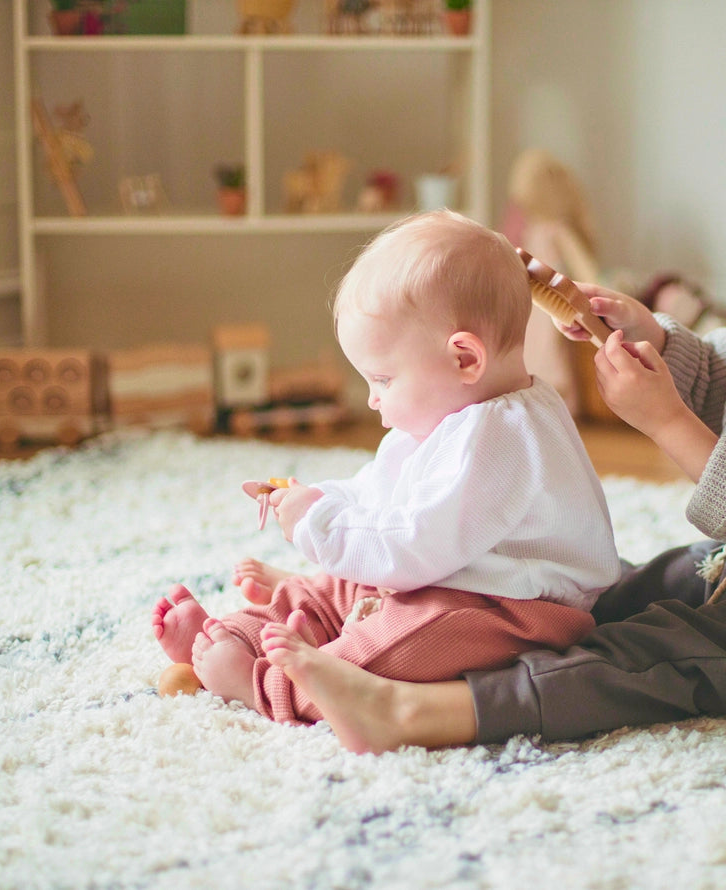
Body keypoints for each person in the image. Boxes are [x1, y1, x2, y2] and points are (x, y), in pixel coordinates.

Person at [257, 77, 726, 753]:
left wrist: (665, 423)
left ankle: (417, 713)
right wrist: (647, 335)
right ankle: (428, 643)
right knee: (607, 601)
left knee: (645, 662)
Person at [151, 209, 622, 724]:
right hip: (438, 573)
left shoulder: (501, 438)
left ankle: (263, 685)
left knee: (396, 646)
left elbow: (412, 544)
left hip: (512, 607)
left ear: (465, 359)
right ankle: (237, 634)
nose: (373, 400)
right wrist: (323, 503)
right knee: (334, 588)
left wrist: (317, 526)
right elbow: (379, 494)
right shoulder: (451, 411)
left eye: (383, 380)